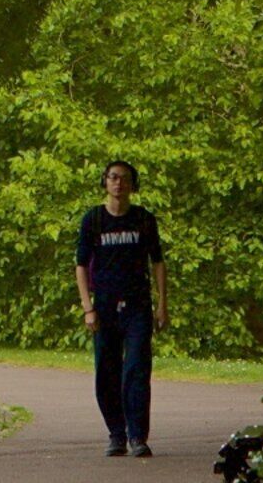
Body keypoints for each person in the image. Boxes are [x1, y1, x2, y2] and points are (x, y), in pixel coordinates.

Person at [76, 159, 168, 457]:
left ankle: (137, 435)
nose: (119, 184)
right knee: (107, 370)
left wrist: (162, 304)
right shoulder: (93, 220)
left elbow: (157, 262)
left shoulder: (143, 219)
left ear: (132, 184)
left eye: (125, 179)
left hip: (138, 306)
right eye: (113, 178)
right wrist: (88, 308)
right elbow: (80, 265)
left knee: (137, 370)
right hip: (103, 308)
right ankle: (116, 433)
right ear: (105, 182)